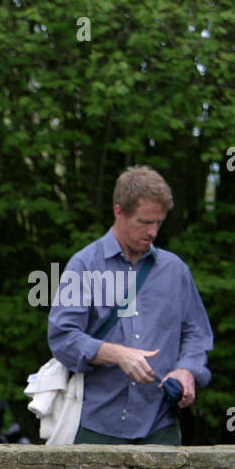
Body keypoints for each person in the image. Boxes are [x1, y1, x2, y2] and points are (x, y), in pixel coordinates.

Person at [48, 165, 213, 445]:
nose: (153, 232)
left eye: (159, 223)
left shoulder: (175, 270)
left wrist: (187, 370)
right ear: (118, 212)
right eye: (144, 222)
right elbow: (63, 338)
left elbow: (196, 333)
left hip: (161, 423)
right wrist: (117, 354)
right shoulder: (84, 265)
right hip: (96, 426)